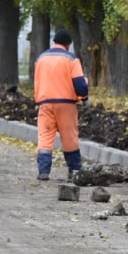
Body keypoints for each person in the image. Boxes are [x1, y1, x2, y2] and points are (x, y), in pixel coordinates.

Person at [33, 29, 90, 181]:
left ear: (55, 42)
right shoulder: (71, 59)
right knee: (69, 137)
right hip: (66, 104)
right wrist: (84, 97)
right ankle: (74, 170)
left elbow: (37, 81)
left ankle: (43, 171)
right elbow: (79, 83)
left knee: (45, 136)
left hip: (45, 103)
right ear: (68, 44)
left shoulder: (41, 59)